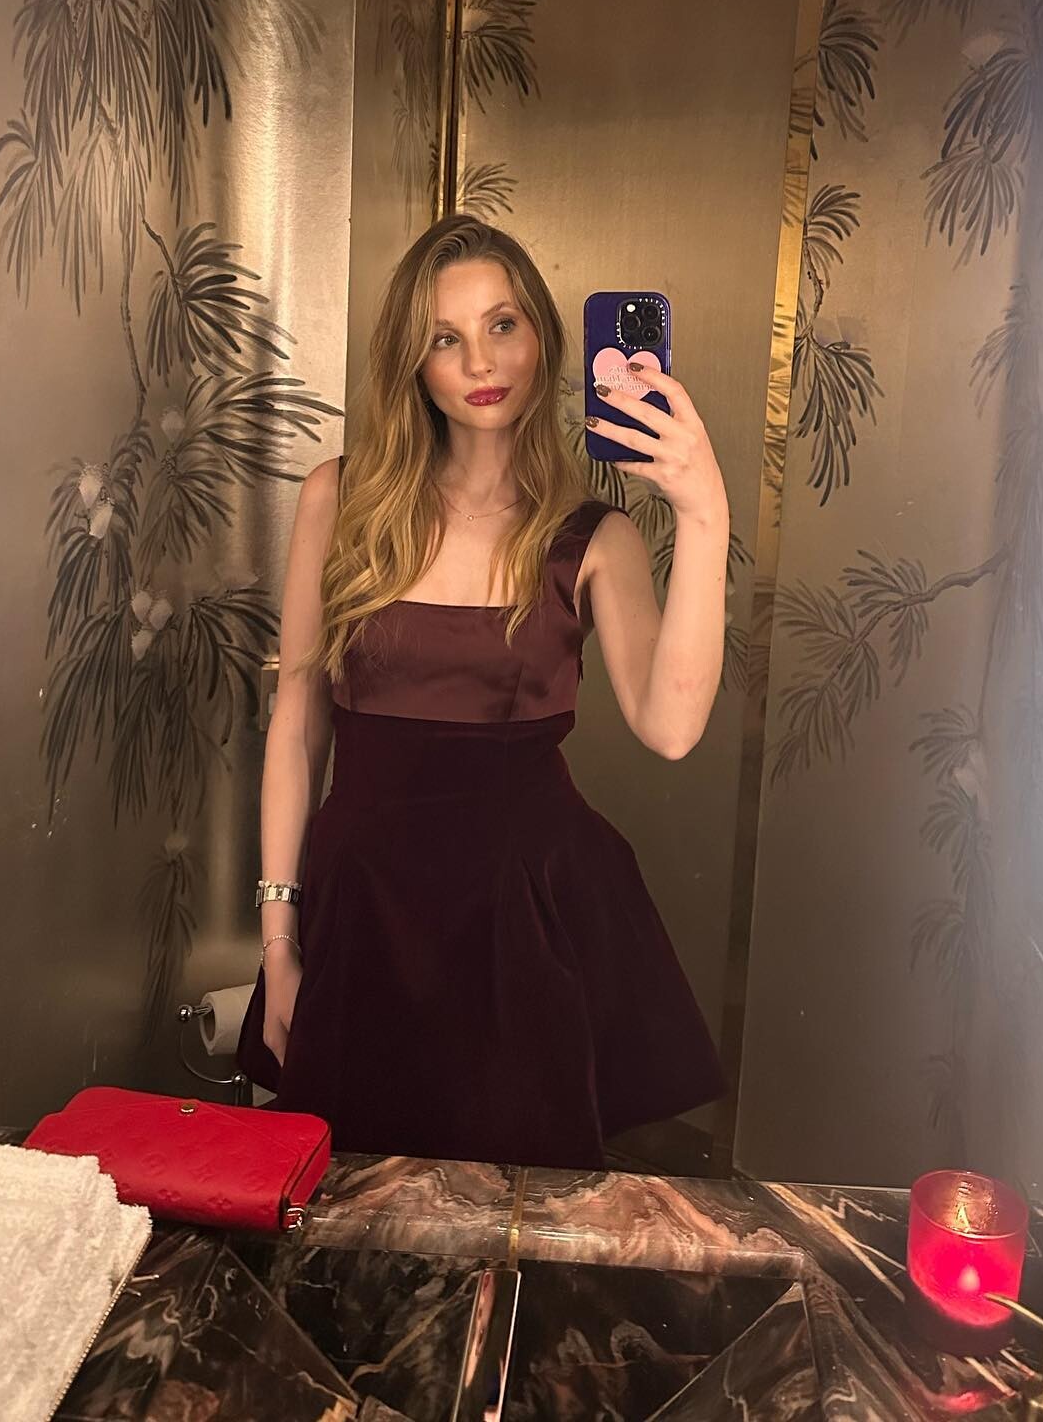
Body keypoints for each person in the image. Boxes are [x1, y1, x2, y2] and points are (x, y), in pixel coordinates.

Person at [234, 215, 729, 1167]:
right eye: (444, 337)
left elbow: (670, 728)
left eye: (502, 324)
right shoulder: (338, 500)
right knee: (344, 1208)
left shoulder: (595, 538)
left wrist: (704, 513)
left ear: (541, 335)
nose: (479, 361)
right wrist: (278, 936)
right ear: (412, 363)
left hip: (526, 920)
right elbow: (296, 721)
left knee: (522, 1214)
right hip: (363, 912)